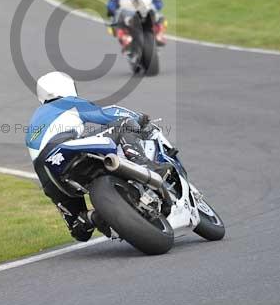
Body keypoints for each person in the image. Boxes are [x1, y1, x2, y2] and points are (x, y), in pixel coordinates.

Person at [26, 71, 171, 241]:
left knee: (79, 230)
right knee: (123, 124)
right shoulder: (67, 103)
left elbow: (40, 153)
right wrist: (139, 118)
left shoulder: (34, 121)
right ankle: (146, 165)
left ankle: (92, 218)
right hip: (66, 149)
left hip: (48, 174)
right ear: (67, 87)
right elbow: (109, 114)